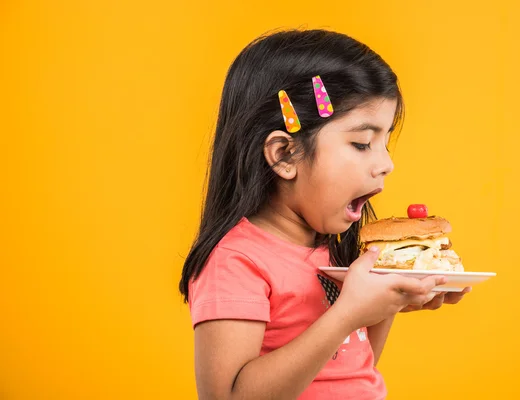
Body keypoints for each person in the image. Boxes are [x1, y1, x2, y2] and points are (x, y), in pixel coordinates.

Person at [179, 29, 469, 400]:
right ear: (285, 155)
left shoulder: (332, 252)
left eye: (385, 142)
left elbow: (353, 373)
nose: (386, 164)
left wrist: (387, 301)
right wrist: (346, 315)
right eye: (362, 143)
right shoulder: (236, 261)